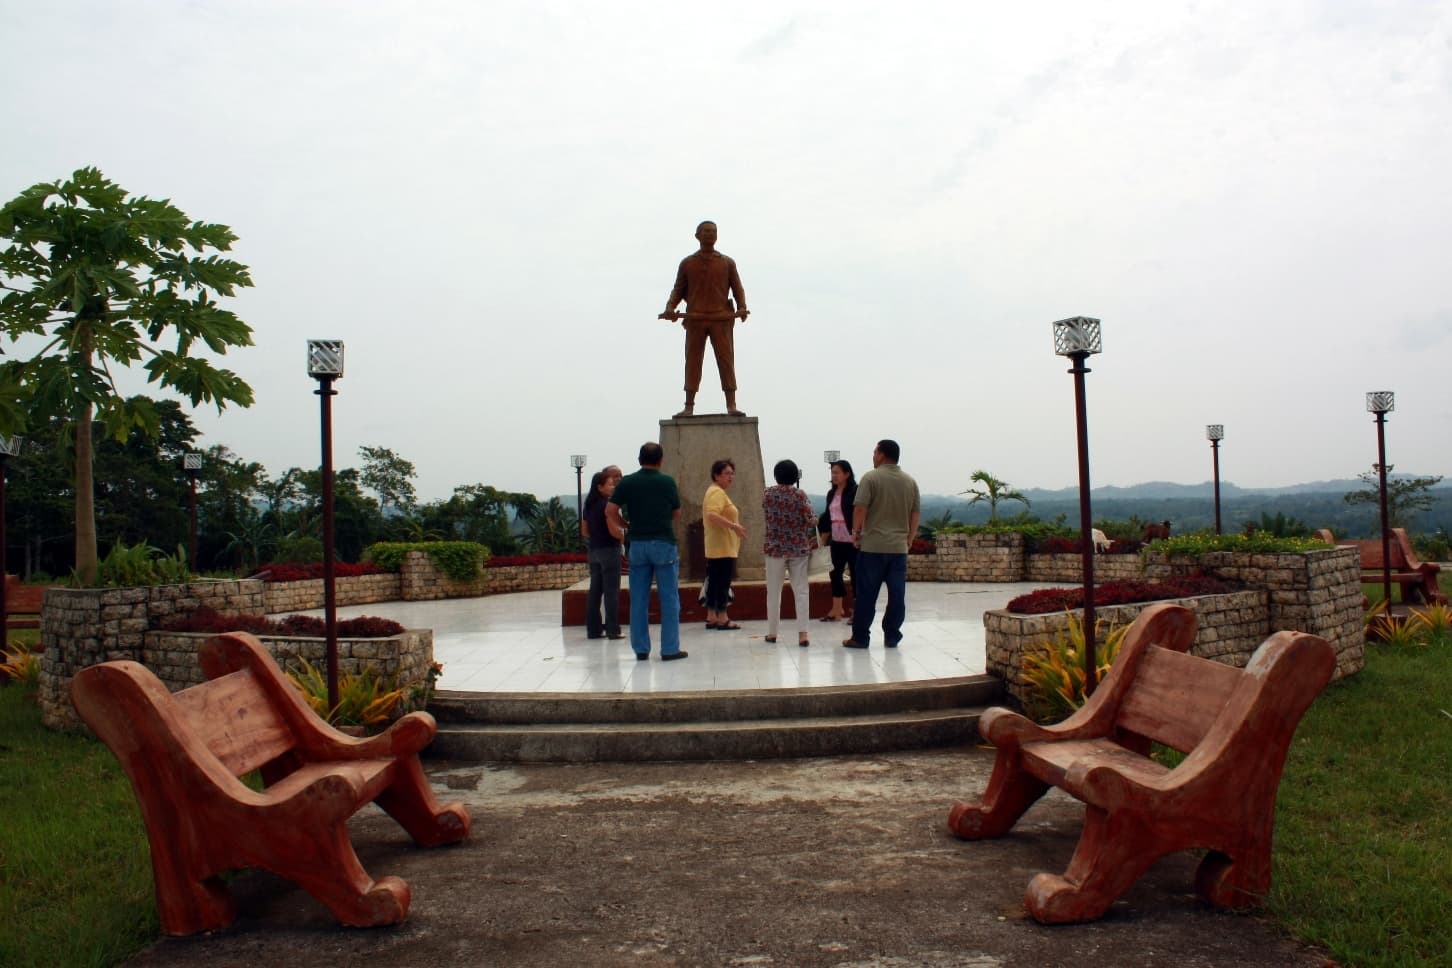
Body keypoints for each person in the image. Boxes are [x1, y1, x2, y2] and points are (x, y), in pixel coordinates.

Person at [659, 220, 749, 417]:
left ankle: (731, 404)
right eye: (706, 231)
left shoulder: (727, 262)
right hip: (696, 319)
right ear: (697, 236)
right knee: (692, 361)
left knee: (726, 361)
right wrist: (670, 308)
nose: (710, 234)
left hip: (721, 318)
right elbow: (678, 289)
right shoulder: (688, 263)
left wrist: (742, 307)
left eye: (714, 231)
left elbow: (737, 288)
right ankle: (689, 405)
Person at [607, 443, 687, 661]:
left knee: (639, 598)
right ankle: (670, 648)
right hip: (663, 543)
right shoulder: (667, 482)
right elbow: (677, 512)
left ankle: (641, 648)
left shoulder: (628, 482)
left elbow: (610, 510)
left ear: (639, 459)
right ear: (661, 460)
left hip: (638, 544)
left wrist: (627, 524)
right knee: (669, 598)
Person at [843, 440, 920, 650]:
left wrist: (856, 533)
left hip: (872, 548)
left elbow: (860, 508)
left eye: (875, 452)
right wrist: (910, 537)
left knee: (867, 595)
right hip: (898, 550)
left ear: (882, 455)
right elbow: (915, 513)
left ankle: (860, 638)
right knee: (897, 595)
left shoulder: (871, 477)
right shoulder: (910, 481)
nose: (873, 456)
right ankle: (892, 635)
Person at [763, 459, 816, 647]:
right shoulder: (800, 495)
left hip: (774, 548)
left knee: (774, 592)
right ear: (795, 476)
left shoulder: (768, 494)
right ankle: (803, 634)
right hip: (798, 549)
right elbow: (811, 520)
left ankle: (772, 633)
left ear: (776, 475)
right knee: (801, 590)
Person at [581, 465, 625, 640]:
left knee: (595, 591)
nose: (613, 486)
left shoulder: (589, 505)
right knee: (611, 591)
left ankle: (593, 629)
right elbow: (613, 529)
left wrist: (597, 534)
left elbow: (584, 531)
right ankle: (613, 629)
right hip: (609, 550)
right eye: (609, 484)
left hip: (594, 550)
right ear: (600, 487)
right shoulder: (606, 505)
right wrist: (621, 537)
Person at [702, 458, 746, 630]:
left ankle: (711, 616)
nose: (731, 477)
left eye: (732, 473)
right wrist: (733, 526)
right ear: (716, 475)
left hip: (718, 546)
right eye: (726, 473)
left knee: (714, 582)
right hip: (722, 546)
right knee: (722, 582)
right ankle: (722, 617)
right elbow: (712, 515)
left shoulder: (714, 491)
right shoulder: (717, 493)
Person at [817, 459, 858, 623]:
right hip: (837, 540)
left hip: (853, 540)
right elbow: (827, 517)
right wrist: (822, 539)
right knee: (834, 573)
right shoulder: (831, 493)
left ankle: (857, 611)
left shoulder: (856, 491)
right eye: (832, 472)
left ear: (847, 474)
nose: (833, 475)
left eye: (837, 472)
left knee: (856, 575)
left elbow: (860, 513)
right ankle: (836, 609)